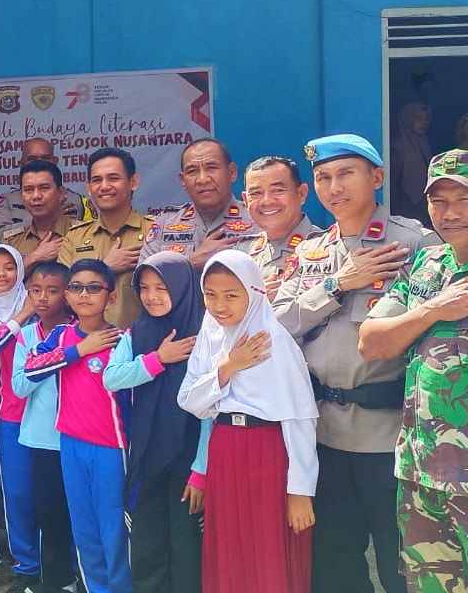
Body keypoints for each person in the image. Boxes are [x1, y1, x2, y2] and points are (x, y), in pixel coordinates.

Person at [273, 133, 436, 593]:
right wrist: (337, 285)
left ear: (377, 177)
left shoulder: (414, 243)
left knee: (400, 562)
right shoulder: (311, 251)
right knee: (335, 566)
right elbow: (276, 325)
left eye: (346, 173)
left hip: (391, 437)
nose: (333, 186)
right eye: (323, 177)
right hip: (323, 436)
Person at [358, 149, 468, 591]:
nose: (450, 212)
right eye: (438, 200)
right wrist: (431, 311)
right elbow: (371, 341)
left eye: (462, 198)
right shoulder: (427, 266)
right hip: (422, 473)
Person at [179, 250, 319, 593]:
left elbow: (300, 419)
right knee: (229, 543)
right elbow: (190, 401)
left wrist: (300, 491)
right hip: (225, 450)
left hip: (268, 452)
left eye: (231, 295)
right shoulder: (209, 338)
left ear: (253, 292)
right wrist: (228, 367)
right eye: (210, 295)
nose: (219, 305)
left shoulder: (274, 341)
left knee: (266, 545)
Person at [101, 252, 209, 593]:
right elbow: (111, 377)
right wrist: (158, 359)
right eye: (144, 288)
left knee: (186, 544)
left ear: (181, 288)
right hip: (147, 455)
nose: (151, 296)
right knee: (147, 543)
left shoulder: (206, 332)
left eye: (161, 287)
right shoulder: (140, 332)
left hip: (188, 459)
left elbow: (212, 409)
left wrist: (201, 468)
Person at [22, 259, 130, 593]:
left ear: (110, 297)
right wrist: (79, 350)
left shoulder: (123, 338)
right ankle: (96, 587)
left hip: (111, 448)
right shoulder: (60, 336)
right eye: (76, 287)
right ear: (67, 296)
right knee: (83, 527)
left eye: (93, 288)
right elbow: (31, 370)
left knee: (113, 527)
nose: (84, 295)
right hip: (70, 445)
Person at [0, 245, 44, 593]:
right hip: (11, 419)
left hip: (49, 417)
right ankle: (26, 566)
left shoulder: (41, 307)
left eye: (9, 268)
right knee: (17, 495)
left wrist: (30, 309)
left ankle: (56, 563)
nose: (2, 275)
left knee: (49, 492)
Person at [9, 262, 77, 593]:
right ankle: (53, 581)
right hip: (41, 438)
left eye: (53, 291)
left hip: (81, 438)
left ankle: (79, 579)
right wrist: (62, 354)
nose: (43, 298)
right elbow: (20, 386)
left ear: (67, 294)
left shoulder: (83, 330)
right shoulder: (25, 336)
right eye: (36, 291)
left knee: (78, 515)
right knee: (48, 514)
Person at [59, 148, 152, 328]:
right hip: (86, 347)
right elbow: (61, 297)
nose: (104, 186)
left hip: (142, 348)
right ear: (88, 188)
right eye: (96, 180)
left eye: (113, 178)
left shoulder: (155, 232)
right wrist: (105, 268)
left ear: (133, 182)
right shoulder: (75, 237)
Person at [139, 138, 258, 268]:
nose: (202, 179)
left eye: (211, 168)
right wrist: (191, 263)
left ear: (232, 172)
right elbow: (144, 284)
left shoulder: (257, 219)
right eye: (192, 171)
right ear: (183, 180)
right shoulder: (164, 224)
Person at [240, 156, 320, 299]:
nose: (267, 201)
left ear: (302, 194)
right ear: (246, 200)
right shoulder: (241, 252)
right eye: (256, 193)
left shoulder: (326, 248)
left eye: (278, 190)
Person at [0, 137, 94, 241]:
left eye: (45, 158)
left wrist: (61, 221)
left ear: (55, 161)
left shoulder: (77, 201)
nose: (39, 163)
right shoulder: (7, 202)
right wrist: (46, 218)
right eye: (32, 159)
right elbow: (0, 237)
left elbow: (91, 236)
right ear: (21, 163)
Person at [0, 159, 75, 270]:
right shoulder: (12, 240)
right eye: (28, 189)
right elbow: (2, 283)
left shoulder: (81, 234)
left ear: (62, 193)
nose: (36, 196)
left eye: (44, 188)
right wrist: (34, 257)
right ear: (21, 196)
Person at [391, 101, 433, 223]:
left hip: (424, 203)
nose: (424, 123)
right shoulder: (397, 146)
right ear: (407, 119)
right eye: (418, 118)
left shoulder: (424, 143)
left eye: (426, 119)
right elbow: (393, 182)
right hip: (405, 205)